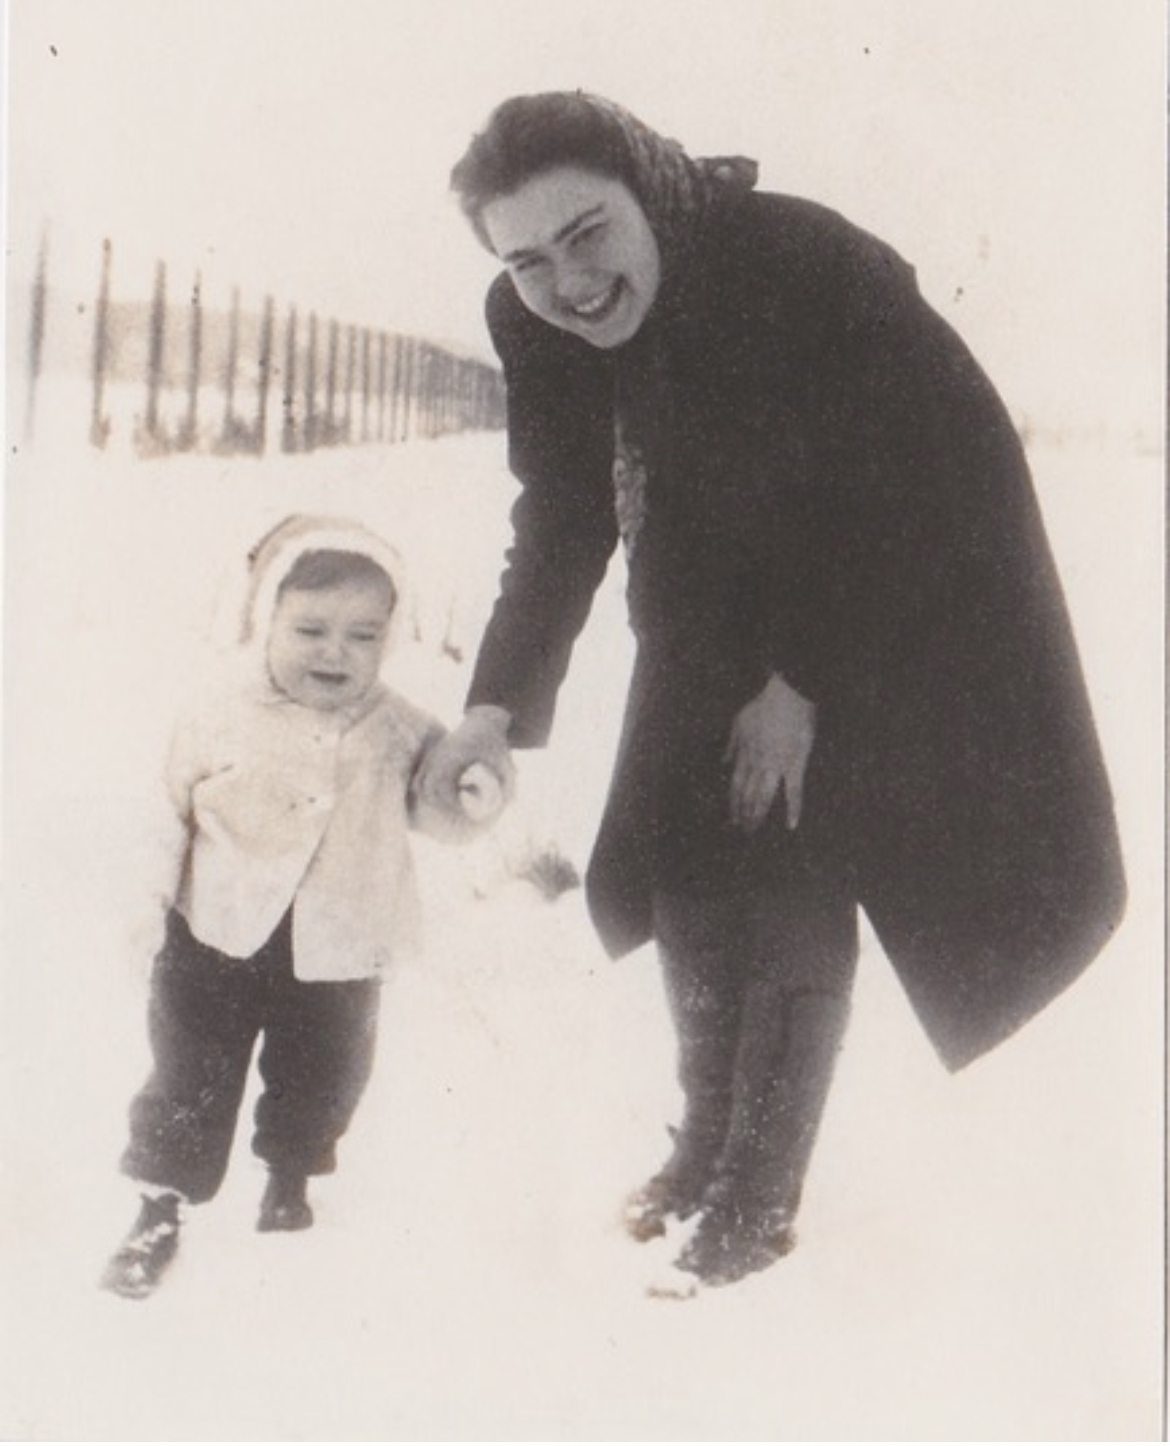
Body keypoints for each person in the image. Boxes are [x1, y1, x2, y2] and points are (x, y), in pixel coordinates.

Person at [419, 90, 1126, 1291]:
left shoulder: (796, 260)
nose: (568, 285)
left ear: (646, 193)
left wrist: (802, 681)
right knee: (685, 866)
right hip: (704, 605)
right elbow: (565, 512)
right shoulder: (528, 322)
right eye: (527, 260)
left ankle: (759, 1193)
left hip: (896, 588)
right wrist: (495, 703)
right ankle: (705, 1143)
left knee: (797, 859)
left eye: (587, 234)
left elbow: (919, 476)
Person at [101, 513, 503, 1300]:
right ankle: (159, 1206)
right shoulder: (217, 712)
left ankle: (290, 1174)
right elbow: (161, 814)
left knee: (326, 1073)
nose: (334, 653)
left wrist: (470, 795)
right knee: (189, 1075)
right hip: (213, 938)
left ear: (390, 637)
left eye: (363, 636)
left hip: (342, 945)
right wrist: (145, 904)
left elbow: (437, 808)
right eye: (311, 630)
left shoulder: (399, 726)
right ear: (267, 620)